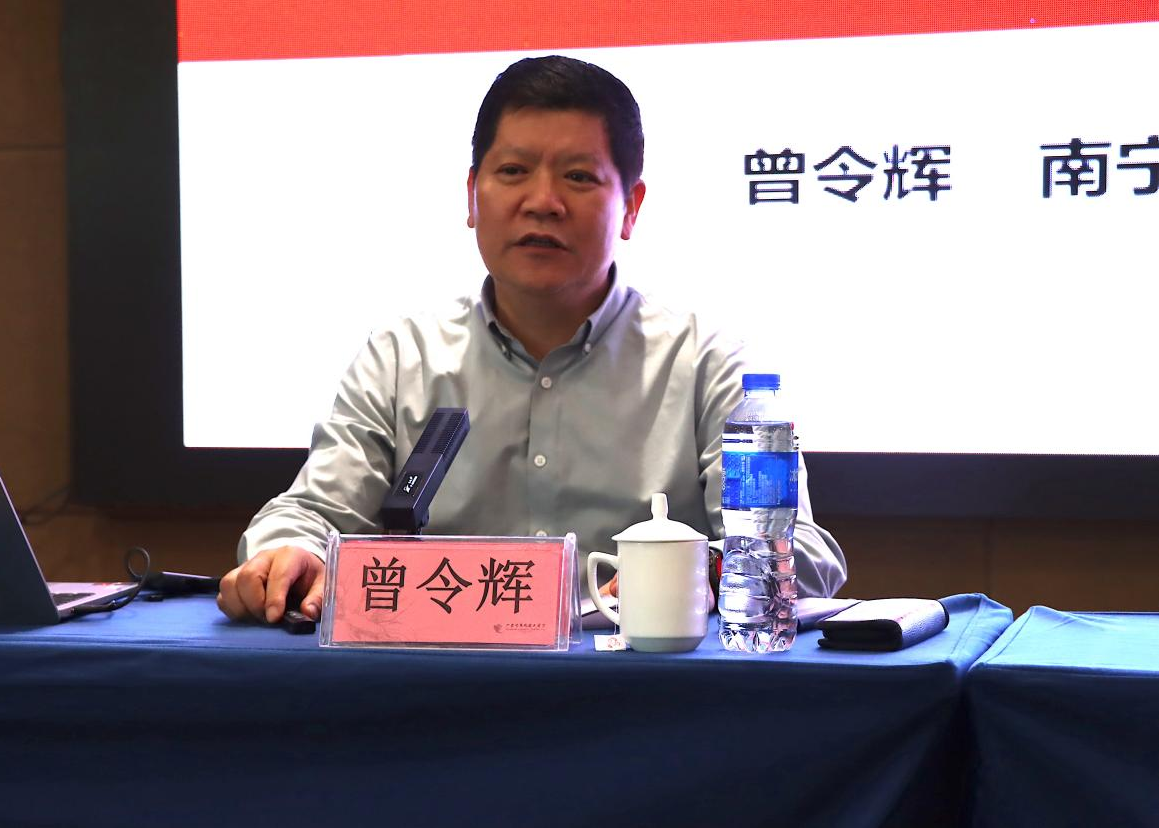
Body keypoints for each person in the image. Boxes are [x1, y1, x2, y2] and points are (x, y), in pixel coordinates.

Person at [217, 55, 846, 624]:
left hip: (640, 688)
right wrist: (288, 552)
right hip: (436, 685)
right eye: (513, 171)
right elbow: (311, 514)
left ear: (631, 207)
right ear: (472, 196)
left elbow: (801, 552)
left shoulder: (707, 364)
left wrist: (686, 571)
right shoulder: (402, 358)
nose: (542, 202)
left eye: (578, 177)